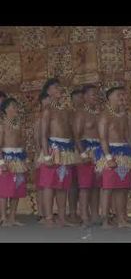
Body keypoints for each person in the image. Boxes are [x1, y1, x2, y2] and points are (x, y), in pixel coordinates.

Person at [95, 86, 131, 229]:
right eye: (119, 95)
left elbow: (127, 137)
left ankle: (121, 220)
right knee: (108, 188)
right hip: (110, 153)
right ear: (109, 97)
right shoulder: (104, 115)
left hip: (124, 153)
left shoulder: (124, 115)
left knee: (122, 188)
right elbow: (102, 138)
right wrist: (108, 157)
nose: (122, 98)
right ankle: (105, 221)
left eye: (123, 95)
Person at [39, 78, 78, 227]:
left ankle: (62, 217)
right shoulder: (47, 110)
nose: (59, 89)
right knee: (49, 184)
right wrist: (47, 156)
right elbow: (43, 135)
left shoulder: (66, 110)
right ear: (48, 91)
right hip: (53, 149)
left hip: (66, 150)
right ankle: (49, 217)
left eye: (59, 87)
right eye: (56, 87)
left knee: (63, 184)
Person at [73, 85, 101, 227]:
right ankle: (84, 215)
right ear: (84, 97)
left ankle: (95, 214)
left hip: (98, 151)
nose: (94, 97)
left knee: (96, 185)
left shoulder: (99, 113)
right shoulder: (81, 113)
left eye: (96, 94)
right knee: (85, 186)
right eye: (91, 94)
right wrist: (83, 153)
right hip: (85, 151)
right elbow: (77, 136)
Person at [0, 98, 28, 226]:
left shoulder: (19, 124)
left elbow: (22, 142)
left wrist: (25, 158)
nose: (16, 108)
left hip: (19, 159)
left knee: (17, 188)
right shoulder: (2, 125)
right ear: (5, 110)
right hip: (7, 159)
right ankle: (4, 218)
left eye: (16, 105)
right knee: (5, 190)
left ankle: (12, 217)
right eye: (13, 106)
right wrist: (1, 162)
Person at [67, 88, 84, 223]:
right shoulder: (69, 113)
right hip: (72, 150)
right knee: (73, 183)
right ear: (72, 99)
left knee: (85, 184)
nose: (80, 99)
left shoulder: (87, 113)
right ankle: (72, 212)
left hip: (86, 149)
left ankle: (84, 212)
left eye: (81, 97)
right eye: (77, 97)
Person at [33, 92, 50, 222]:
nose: (48, 102)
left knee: (49, 184)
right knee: (42, 185)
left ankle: (48, 211)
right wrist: (40, 155)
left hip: (52, 152)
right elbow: (37, 138)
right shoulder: (39, 118)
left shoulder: (52, 115)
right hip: (42, 153)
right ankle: (41, 213)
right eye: (46, 100)